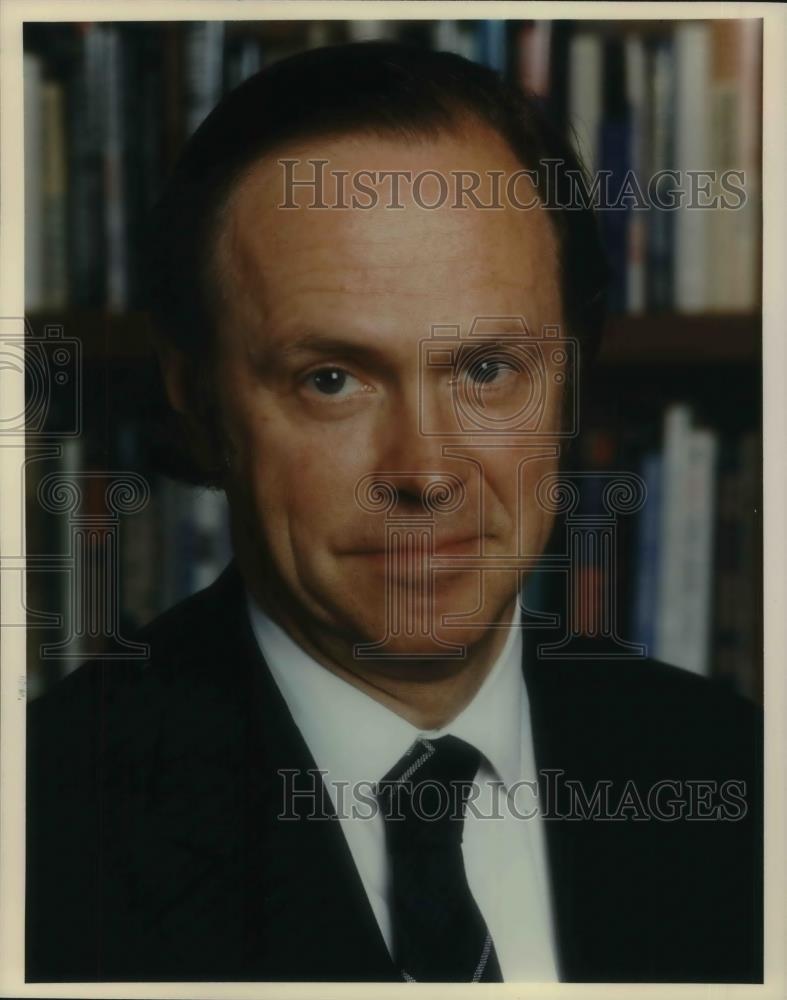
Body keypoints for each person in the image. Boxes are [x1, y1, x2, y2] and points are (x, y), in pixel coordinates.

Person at [26, 42, 762, 984]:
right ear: (198, 399)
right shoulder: (42, 827)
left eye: (488, 370)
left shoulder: (736, 774)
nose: (424, 471)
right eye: (331, 380)